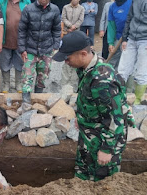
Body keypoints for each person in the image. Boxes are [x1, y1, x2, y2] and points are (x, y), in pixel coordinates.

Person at [52, 31, 134, 181]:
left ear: (83, 54)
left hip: (104, 140)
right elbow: (90, 99)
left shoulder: (102, 81)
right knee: (83, 176)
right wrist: (81, 115)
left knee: (102, 182)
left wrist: (106, 149)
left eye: (67, 58)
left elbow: (115, 118)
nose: (66, 62)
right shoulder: (86, 68)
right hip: (90, 134)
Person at [18, 0, 61, 104]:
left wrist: (55, 46)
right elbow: (22, 30)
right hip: (30, 49)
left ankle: (37, 99)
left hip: (47, 49)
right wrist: (22, 49)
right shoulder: (28, 9)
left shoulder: (55, 10)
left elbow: (57, 30)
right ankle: (26, 101)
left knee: (43, 76)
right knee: (27, 77)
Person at [0, 0, 31, 93]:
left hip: (21, 40)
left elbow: (30, 20)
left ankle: (18, 84)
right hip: (5, 39)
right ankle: (6, 84)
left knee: (20, 63)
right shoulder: (1, 1)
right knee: (4, 63)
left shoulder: (26, 1)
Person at [119, 0, 147, 104]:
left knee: (142, 72)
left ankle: (137, 101)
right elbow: (129, 18)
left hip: (145, 40)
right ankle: (119, 97)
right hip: (131, 38)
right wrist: (125, 38)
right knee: (122, 69)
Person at [60, 0, 85, 91]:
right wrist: (70, 26)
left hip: (77, 34)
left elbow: (81, 20)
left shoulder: (82, 8)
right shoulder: (66, 7)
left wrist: (74, 27)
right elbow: (63, 18)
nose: (75, 0)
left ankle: (73, 86)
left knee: (76, 57)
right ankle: (64, 85)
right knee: (66, 57)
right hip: (67, 34)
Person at [107, 0, 132, 71]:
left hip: (130, 38)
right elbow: (111, 26)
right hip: (118, 37)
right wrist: (110, 43)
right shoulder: (112, 7)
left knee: (125, 62)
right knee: (112, 60)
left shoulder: (132, 2)